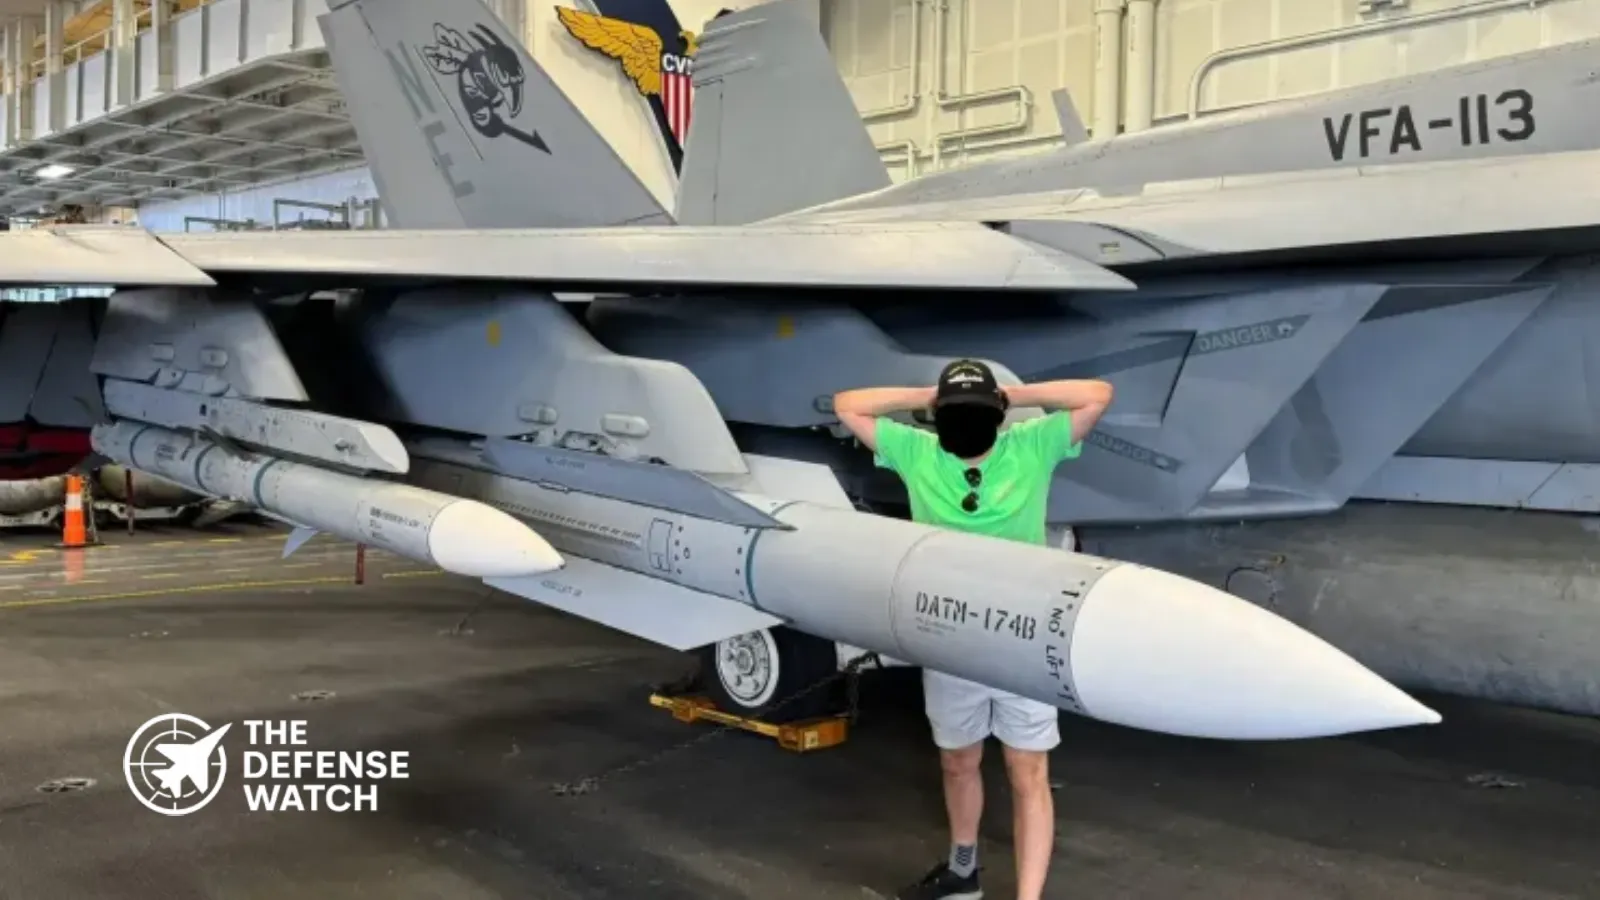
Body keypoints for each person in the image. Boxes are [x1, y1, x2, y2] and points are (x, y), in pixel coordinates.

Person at [832, 360, 1113, 900]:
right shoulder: (917, 452)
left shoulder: (1031, 446)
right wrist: (933, 395)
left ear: (998, 415)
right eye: (954, 414)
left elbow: (1098, 394)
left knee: (1027, 771)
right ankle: (964, 874)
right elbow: (848, 404)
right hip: (949, 636)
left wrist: (1009, 394)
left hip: (1021, 637)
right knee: (958, 761)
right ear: (938, 417)